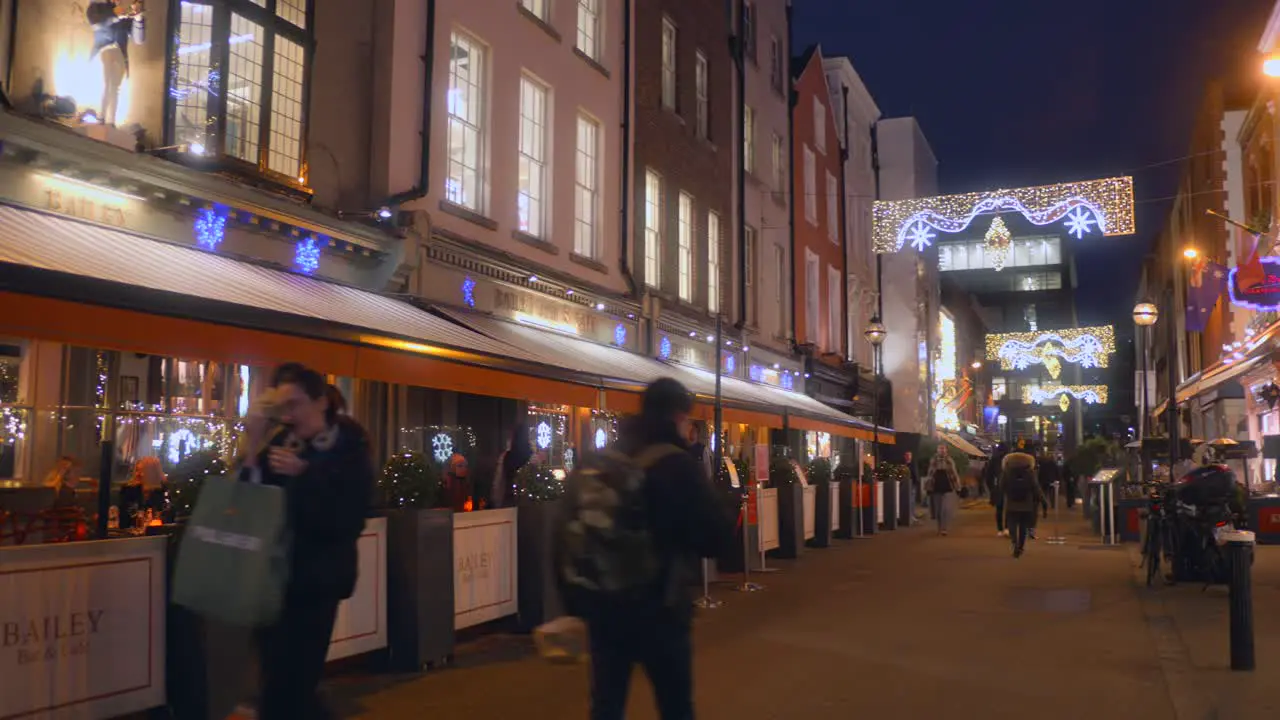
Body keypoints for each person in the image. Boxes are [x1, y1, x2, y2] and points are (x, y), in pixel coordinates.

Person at [567, 378, 731, 720]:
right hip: (661, 607)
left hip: (606, 608)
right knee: (675, 706)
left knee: (606, 705)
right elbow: (714, 537)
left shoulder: (601, 461)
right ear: (678, 416)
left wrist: (578, 601)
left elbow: (568, 528)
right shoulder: (676, 464)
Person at [242, 363, 374, 720]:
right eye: (282, 406)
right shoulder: (280, 442)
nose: (288, 414)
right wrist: (252, 447)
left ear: (320, 402)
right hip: (271, 579)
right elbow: (249, 502)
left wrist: (304, 475)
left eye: (296, 403)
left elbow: (348, 518)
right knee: (279, 683)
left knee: (292, 684)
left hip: (316, 581)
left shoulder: (349, 446)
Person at [85, 0, 145, 126]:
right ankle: (100, 119)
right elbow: (97, 22)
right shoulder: (97, 7)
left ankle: (110, 122)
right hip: (103, 53)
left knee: (115, 89)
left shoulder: (123, 13)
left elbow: (139, 39)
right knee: (106, 85)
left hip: (119, 57)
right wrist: (115, 15)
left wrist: (138, 19)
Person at [1000, 454, 1047, 558]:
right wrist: (1043, 501)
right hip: (1027, 504)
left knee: (1012, 524)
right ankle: (1021, 546)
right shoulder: (1030, 472)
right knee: (1023, 526)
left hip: (1011, 503)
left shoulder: (1007, 472)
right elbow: (1036, 488)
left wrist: (998, 499)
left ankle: (1014, 543)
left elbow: (1001, 487)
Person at [1002, 442, 1039, 540]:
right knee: (1029, 514)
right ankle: (1030, 530)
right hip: (1027, 497)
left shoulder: (1008, 468)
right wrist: (1039, 496)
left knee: (1010, 514)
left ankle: (1009, 530)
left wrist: (998, 494)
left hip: (1011, 496)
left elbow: (1002, 484)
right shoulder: (1030, 467)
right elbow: (1034, 485)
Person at [491, 423, 533, 508]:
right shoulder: (531, 456)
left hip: (508, 497)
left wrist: (496, 499)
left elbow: (499, 479)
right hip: (527, 500)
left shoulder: (506, 456)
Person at [926, 445, 961, 536]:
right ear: (937, 450)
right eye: (940, 449)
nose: (942, 451)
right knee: (938, 509)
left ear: (946, 451)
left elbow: (954, 474)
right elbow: (930, 474)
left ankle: (944, 528)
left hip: (947, 486)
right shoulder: (933, 460)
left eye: (943, 449)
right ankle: (939, 527)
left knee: (945, 509)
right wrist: (928, 487)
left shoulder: (949, 461)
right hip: (936, 486)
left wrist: (957, 487)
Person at [985, 443, 1008, 536]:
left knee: (999, 509)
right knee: (1008, 508)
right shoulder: (1009, 460)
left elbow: (988, 476)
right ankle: (1007, 528)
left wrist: (991, 488)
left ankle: (1000, 529)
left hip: (997, 487)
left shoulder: (994, 460)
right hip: (1008, 487)